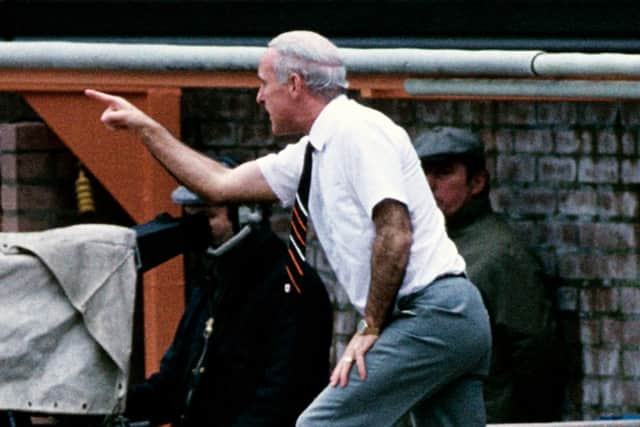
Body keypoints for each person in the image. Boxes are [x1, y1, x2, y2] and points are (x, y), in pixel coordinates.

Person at [85, 30, 491, 427]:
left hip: (431, 312)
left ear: (294, 84)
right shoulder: (312, 153)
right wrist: (145, 127)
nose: (260, 97)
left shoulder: (358, 130)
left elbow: (395, 232)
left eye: (264, 84)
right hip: (446, 317)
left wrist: (370, 326)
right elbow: (218, 184)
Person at [123, 172, 334, 427]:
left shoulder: (291, 285)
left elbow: (284, 396)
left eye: (208, 217)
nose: (198, 231)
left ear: (246, 214)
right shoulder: (213, 280)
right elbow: (172, 383)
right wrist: (111, 404)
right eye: (191, 218)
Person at [415, 126, 563, 423]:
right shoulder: (427, 243)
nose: (429, 186)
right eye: (421, 175)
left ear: (477, 182)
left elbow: (535, 352)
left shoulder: (501, 255)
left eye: (443, 173)